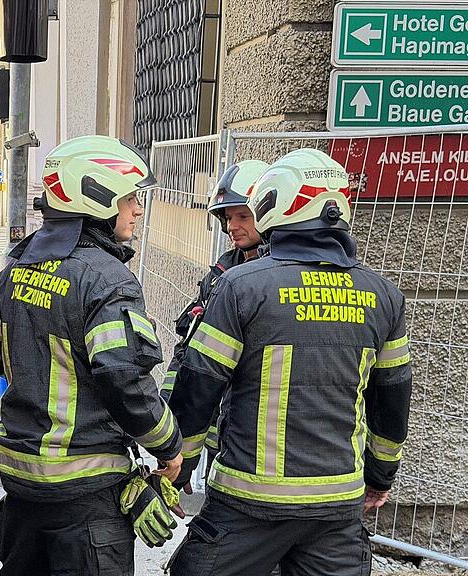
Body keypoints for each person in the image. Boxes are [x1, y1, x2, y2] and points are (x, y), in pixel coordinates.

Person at [167, 149, 413, 576]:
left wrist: (180, 462)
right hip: (336, 507)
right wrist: (380, 474)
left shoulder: (241, 287)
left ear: (274, 205)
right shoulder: (383, 295)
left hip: (249, 504)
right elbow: (393, 398)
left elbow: (200, 383)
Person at [0, 135, 184, 576]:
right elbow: (122, 375)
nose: (137, 209)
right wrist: (167, 444)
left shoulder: (19, 268)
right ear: (97, 200)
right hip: (85, 496)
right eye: (129, 198)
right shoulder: (108, 280)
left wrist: (31, 369)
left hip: (22, 485)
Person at [161, 160, 269, 476]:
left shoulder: (274, 279)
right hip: (216, 433)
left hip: (255, 438)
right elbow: (189, 353)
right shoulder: (220, 275)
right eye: (228, 217)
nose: (233, 226)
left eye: (243, 216)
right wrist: (169, 420)